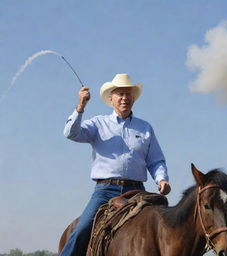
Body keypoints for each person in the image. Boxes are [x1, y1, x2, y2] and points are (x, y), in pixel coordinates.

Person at [60, 73, 171, 256]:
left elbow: (156, 160)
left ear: (133, 98)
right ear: (111, 98)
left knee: (164, 225)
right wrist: (80, 106)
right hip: (105, 191)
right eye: (119, 93)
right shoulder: (98, 123)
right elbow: (71, 133)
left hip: (138, 191)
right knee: (82, 229)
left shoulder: (145, 128)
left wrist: (162, 179)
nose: (124, 98)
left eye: (128, 94)